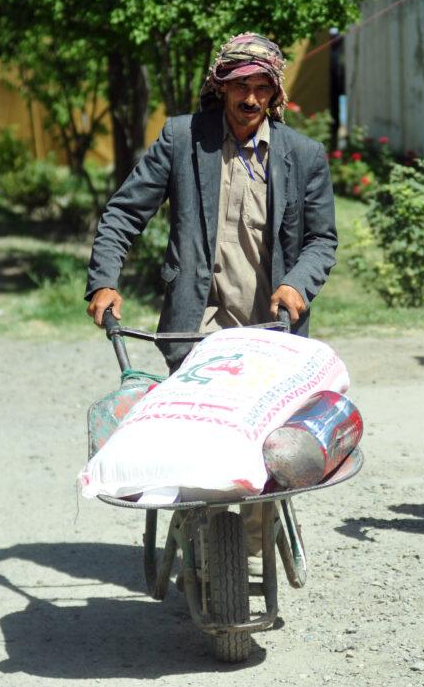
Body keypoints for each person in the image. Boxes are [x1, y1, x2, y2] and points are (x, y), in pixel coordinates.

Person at [85, 31, 338, 573]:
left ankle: (240, 549)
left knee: (263, 445)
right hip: (194, 327)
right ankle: (208, 536)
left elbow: (322, 239)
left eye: (261, 87)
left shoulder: (303, 156)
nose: (250, 99)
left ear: (275, 94)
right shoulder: (182, 139)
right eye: (239, 86)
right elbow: (125, 212)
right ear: (220, 88)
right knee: (201, 438)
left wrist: (297, 283)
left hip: (270, 332)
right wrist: (104, 280)